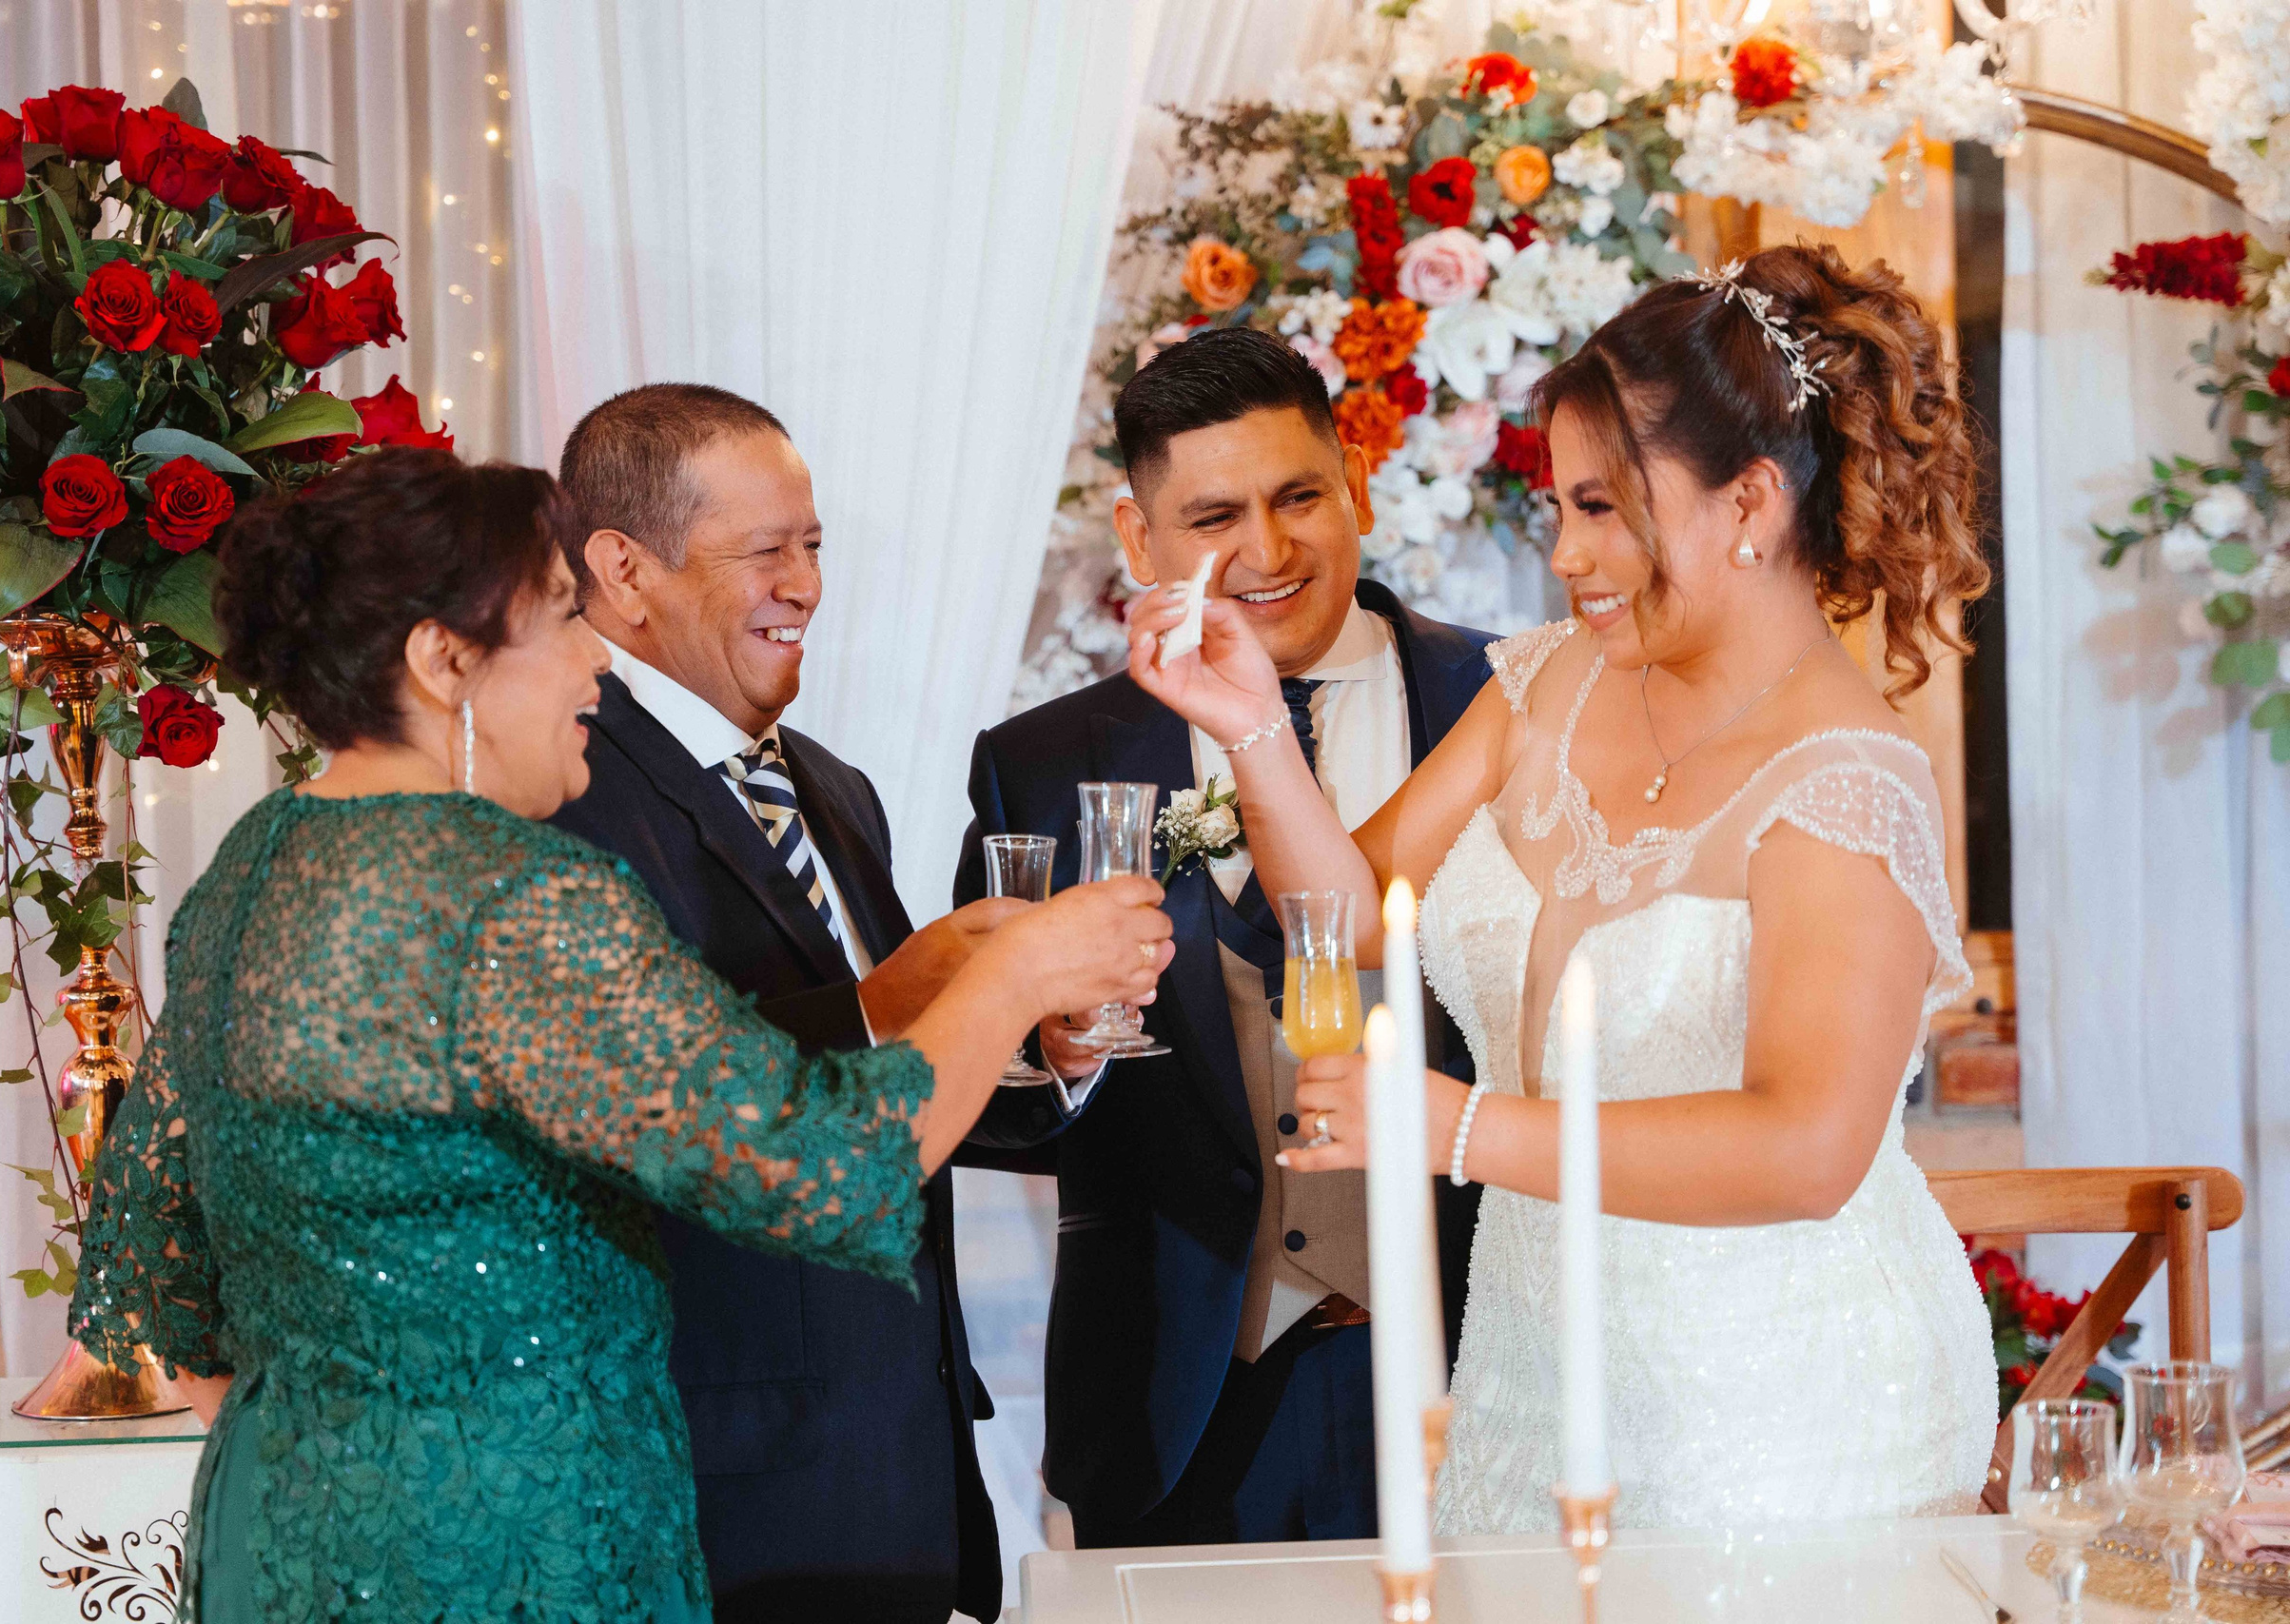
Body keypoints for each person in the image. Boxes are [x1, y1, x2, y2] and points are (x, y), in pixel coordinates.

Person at [66, 448, 1173, 1623]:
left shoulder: (240, 876)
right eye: (558, 617)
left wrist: (343, 1465)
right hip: (515, 1553)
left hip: (278, 1541)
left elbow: (161, 1281)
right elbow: (829, 1170)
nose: (597, 657)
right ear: (446, 663)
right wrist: (1016, 975)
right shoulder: (510, 892)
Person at [1126, 243, 1998, 1534]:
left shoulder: (1847, 776)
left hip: (1785, 1404)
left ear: (1748, 503)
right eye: (1559, 508)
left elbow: (1809, 1147)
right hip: (1533, 1372)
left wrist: (1456, 1126)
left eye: (1601, 508)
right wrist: (1252, 725)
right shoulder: (1545, 681)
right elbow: (1360, 907)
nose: (1565, 553)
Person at [954, 326, 1497, 1547]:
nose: (1267, 549)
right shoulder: (1045, 765)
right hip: (1176, 1399)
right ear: (1139, 539)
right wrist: (1057, 1049)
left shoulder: (1502, 701)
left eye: (1298, 494)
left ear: (1355, 477)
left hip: (1482, 1371)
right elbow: (976, 1095)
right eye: (1212, 517)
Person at [548, 383, 1063, 1621]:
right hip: (718, 1492)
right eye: (765, 549)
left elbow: (907, 1097)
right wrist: (906, 999)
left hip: (898, 1467)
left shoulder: (833, 786)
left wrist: (1041, 1039)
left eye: (814, 544)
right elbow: (647, 1117)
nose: (806, 584)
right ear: (623, 567)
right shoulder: (562, 787)